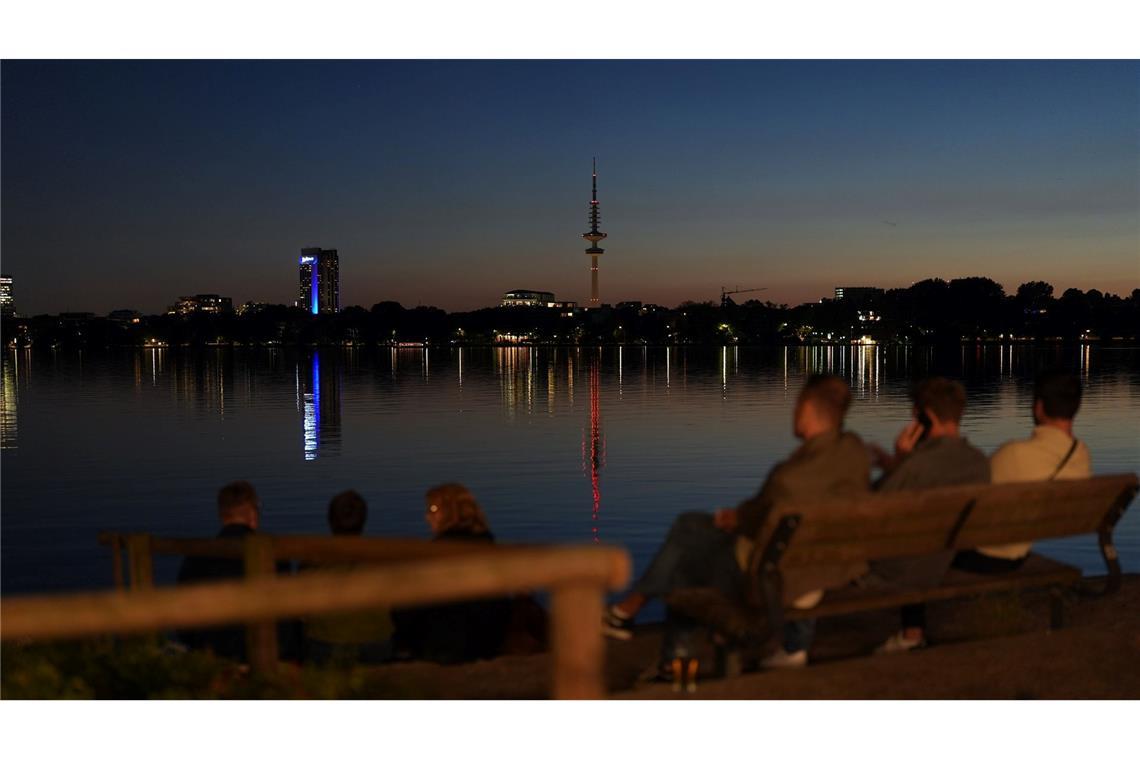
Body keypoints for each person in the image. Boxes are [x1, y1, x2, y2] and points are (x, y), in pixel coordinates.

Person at [604, 374, 871, 669]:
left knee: (687, 557)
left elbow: (758, 521)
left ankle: (656, 645)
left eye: (796, 405)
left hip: (778, 577)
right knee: (691, 527)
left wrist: (737, 518)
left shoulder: (789, 479)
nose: (793, 412)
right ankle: (629, 613)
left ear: (807, 407)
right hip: (831, 564)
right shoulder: (856, 451)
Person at [867, 377, 990, 654]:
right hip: (946, 555)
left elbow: (870, 508)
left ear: (927, 416)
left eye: (914, 415)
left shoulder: (916, 465)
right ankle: (913, 632)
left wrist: (899, 461)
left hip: (901, 566)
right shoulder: (979, 461)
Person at [957, 368, 1091, 572]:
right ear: (1076, 407)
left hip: (983, 554)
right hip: (1018, 553)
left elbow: (969, 498)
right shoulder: (1081, 455)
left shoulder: (1014, 454)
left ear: (1038, 407)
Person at [175, 481, 297, 662]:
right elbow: (287, 615)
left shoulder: (196, 557)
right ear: (253, 516)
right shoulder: (273, 556)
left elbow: (183, 620)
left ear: (222, 515)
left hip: (211, 654)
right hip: (262, 654)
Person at [391, 483, 513, 664]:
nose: (427, 517)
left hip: (443, 648)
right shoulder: (489, 548)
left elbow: (405, 612)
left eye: (433, 509)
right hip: (488, 643)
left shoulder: (435, 555)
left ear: (451, 512)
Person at [301, 490, 395, 665]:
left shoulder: (312, 560)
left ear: (330, 520)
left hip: (325, 641)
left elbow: (301, 608)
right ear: (363, 520)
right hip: (375, 640)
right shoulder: (383, 559)